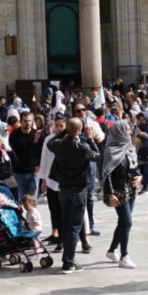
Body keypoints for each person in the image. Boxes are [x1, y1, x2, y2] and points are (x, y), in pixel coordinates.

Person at [47, 116, 97, 273]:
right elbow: (97, 155)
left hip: (63, 189)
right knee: (74, 226)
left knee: (67, 222)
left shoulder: (59, 145)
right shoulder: (82, 147)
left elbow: (50, 143)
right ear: (79, 131)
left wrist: (64, 133)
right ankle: (68, 262)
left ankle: (67, 258)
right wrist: (90, 139)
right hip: (78, 189)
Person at [99, 119, 140, 269]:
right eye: (128, 130)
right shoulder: (110, 150)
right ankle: (124, 255)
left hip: (131, 190)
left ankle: (111, 250)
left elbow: (135, 167)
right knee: (127, 222)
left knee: (122, 222)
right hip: (118, 191)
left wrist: (140, 177)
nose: (130, 132)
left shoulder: (130, 148)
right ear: (120, 132)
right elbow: (106, 173)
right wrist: (110, 194)